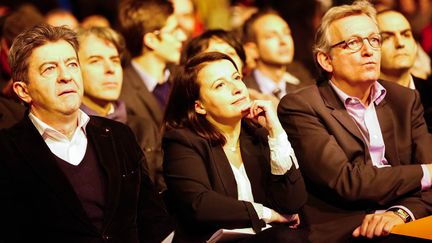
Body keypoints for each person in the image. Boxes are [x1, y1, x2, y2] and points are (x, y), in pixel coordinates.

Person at [0, 24, 173, 242]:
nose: (66, 76)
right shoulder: (7, 152)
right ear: (23, 91)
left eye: (72, 64)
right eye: (49, 69)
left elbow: (153, 220)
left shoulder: (118, 136)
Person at [277, 1, 432, 242]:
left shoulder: (405, 99)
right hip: (348, 228)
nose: (368, 50)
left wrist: (402, 212)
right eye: (353, 43)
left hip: (406, 220)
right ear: (326, 60)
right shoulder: (301, 106)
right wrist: (423, 172)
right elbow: (347, 181)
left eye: (374, 40)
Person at [163, 51, 308, 242]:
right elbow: (200, 205)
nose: (237, 88)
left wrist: (276, 132)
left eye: (236, 77)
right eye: (220, 85)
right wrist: (267, 214)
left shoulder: (257, 135)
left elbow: (293, 203)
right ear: (199, 106)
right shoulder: (183, 141)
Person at [77, 26, 166, 192]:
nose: (110, 69)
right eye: (95, 61)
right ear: (74, 69)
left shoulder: (143, 128)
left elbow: (161, 191)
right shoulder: (69, 130)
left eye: (115, 60)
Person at [118, 0, 187, 128]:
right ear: (151, 40)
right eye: (173, 31)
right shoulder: (122, 93)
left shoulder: (183, 75)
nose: (182, 37)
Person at [377, 9, 432, 132]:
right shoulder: (361, 102)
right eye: (386, 37)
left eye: (406, 35)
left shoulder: (429, 92)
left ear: (415, 44)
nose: (400, 43)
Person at [242, 9, 314, 102]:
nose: (283, 41)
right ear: (253, 49)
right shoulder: (243, 92)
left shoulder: (306, 91)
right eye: (271, 36)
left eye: (286, 33)